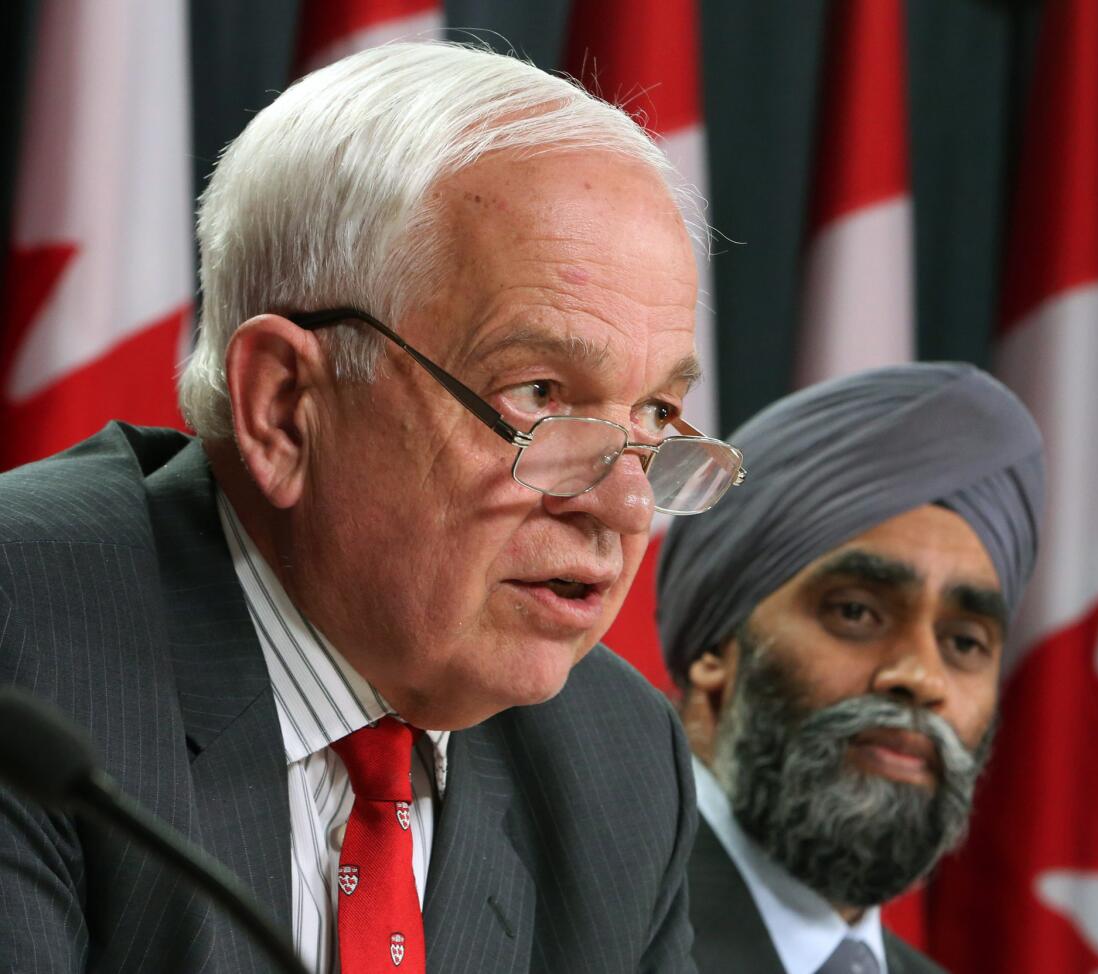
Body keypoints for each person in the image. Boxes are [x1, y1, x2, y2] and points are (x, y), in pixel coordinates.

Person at [0, 42, 749, 973]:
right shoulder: (25, 646)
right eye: (541, 396)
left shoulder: (616, 763)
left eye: (656, 415)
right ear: (283, 408)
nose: (627, 503)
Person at [656, 363, 1044, 974]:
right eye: (856, 612)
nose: (921, 676)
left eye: (965, 643)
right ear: (716, 646)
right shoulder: (596, 937)